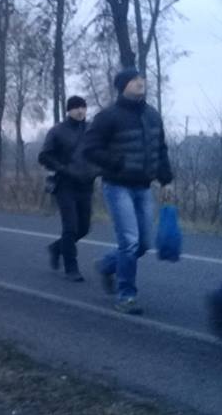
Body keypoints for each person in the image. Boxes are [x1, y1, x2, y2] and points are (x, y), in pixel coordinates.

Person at [83, 67, 173, 315]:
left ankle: (105, 265)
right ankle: (126, 296)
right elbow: (89, 149)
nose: (140, 82)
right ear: (122, 86)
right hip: (117, 186)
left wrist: (166, 180)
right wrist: (114, 163)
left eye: (141, 78)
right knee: (130, 242)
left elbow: (161, 149)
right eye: (134, 79)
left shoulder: (153, 115)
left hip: (144, 187)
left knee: (143, 244)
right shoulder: (108, 117)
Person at [38, 96, 98, 282]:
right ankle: (71, 267)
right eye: (76, 108)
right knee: (70, 227)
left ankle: (56, 248)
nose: (80, 111)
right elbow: (44, 156)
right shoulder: (57, 131)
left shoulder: (92, 130)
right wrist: (64, 169)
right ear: (69, 110)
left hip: (86, 184)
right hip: (65, 185)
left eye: (83, 107)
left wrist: (98, 169)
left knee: (84, 228)